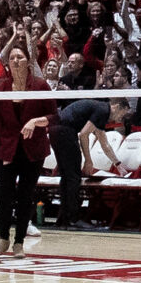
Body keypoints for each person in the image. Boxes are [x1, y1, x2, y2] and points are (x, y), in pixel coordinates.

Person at [0, 44, 55, 256]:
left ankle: (19, 242)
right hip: (6, 148)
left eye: (20, 57)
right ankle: (3, 238)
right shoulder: (1, 88)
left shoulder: (40, 86)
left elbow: (54, 116)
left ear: (28, 61)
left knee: (25, 195)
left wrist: (36, 121)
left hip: (33, 150)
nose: (15, 61)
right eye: (12, 58)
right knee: (4, 195)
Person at [48, 96, 120, 228]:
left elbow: (104, 142)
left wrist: (118, 164)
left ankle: (63, 219)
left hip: (54, 130)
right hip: (65, 132)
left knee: (66, 177)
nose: (120, 118)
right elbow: (83, 134)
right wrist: (88, 160)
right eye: (123, 114)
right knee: (73, 178)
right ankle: (73, 218)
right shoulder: (104, 110)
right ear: (117, 107)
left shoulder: (97, 108)